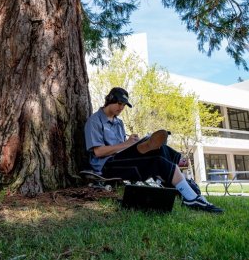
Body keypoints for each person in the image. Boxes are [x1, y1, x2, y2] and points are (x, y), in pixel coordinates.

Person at [84, 87, 223, 213]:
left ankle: (190, 195)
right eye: (119, 103)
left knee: (158, 151)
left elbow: (122, 147)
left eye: (124, 105)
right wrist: (126, 144)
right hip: (106, 166)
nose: (121, 108)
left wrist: (132, 144)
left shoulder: (119, 123)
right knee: (156, 156)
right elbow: (98, 152)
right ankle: (190, 194)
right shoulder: (94, 121)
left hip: (122, 159)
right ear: (110, 100)